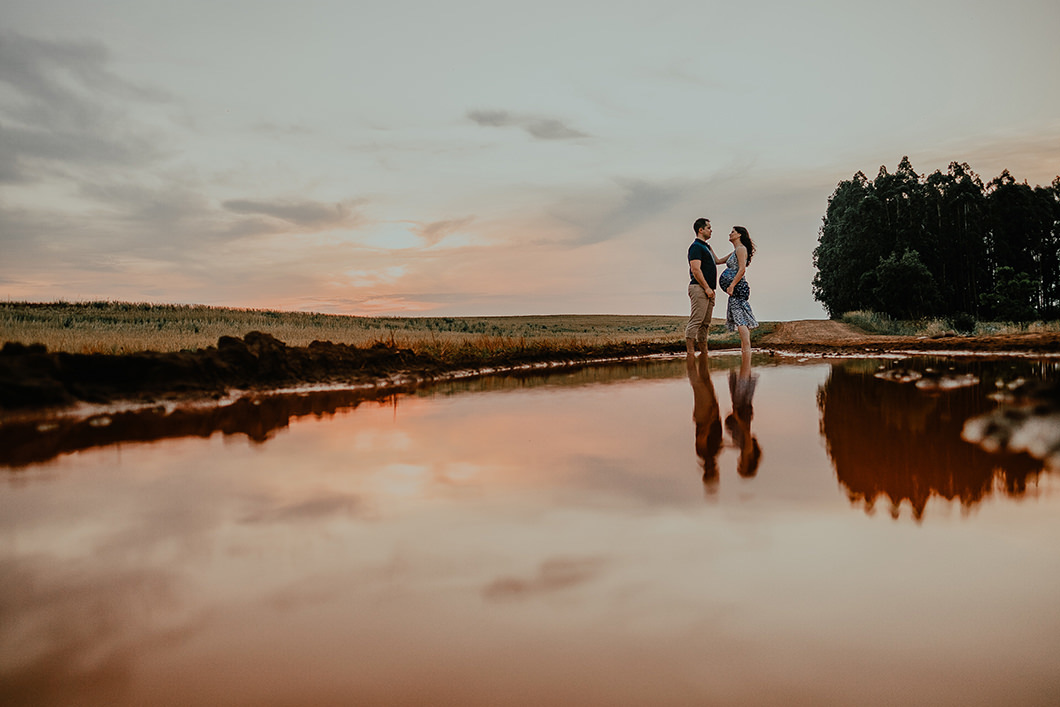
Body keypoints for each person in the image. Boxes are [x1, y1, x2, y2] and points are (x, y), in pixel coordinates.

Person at [685, 218, 726, 355]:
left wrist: (738, 251)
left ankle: (704, 353)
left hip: (709, 290)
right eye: (708, 227)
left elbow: (718, 261)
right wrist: (707, 288)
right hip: (699, 288)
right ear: (700, 230)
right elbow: (696, 269)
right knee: (696, 320)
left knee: (705, 323)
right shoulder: (696, 247)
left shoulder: (707, 247)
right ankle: (690, 353)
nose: (711, 230)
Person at [719, 226, 758, 365]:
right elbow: (717, 261)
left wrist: (732, 285)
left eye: (733, 232)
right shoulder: (735, 251)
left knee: (740, 319)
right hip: (737, 288)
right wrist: (707, 247)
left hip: (738, 287)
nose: (730, 233)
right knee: (740, 319)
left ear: (739, 235)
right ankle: (745, 351)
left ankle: (747, 351)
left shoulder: (741, 249)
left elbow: (741, 269)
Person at [686, 349, 723, 490]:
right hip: (709, 414)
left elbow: (702, 435)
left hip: (705, 415)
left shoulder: (704, 454)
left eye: (715, 474)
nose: (717, 472)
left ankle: (693, 361)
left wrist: (711, 416)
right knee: (703, 382)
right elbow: (709, 437)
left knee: (699, 384)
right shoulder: (711, 455)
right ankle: (697, 359)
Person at [726, 355, 761, 478]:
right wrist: (737, 417)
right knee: (742, 379)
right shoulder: (746, 450)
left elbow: (742, 438)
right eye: (741, 466)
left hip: (745, 411)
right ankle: (745, 355)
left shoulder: (745, 450)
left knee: (742, 379)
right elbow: (745, 431)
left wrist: (725, 445)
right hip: (741, 412)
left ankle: (745, 357)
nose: (739, 463)